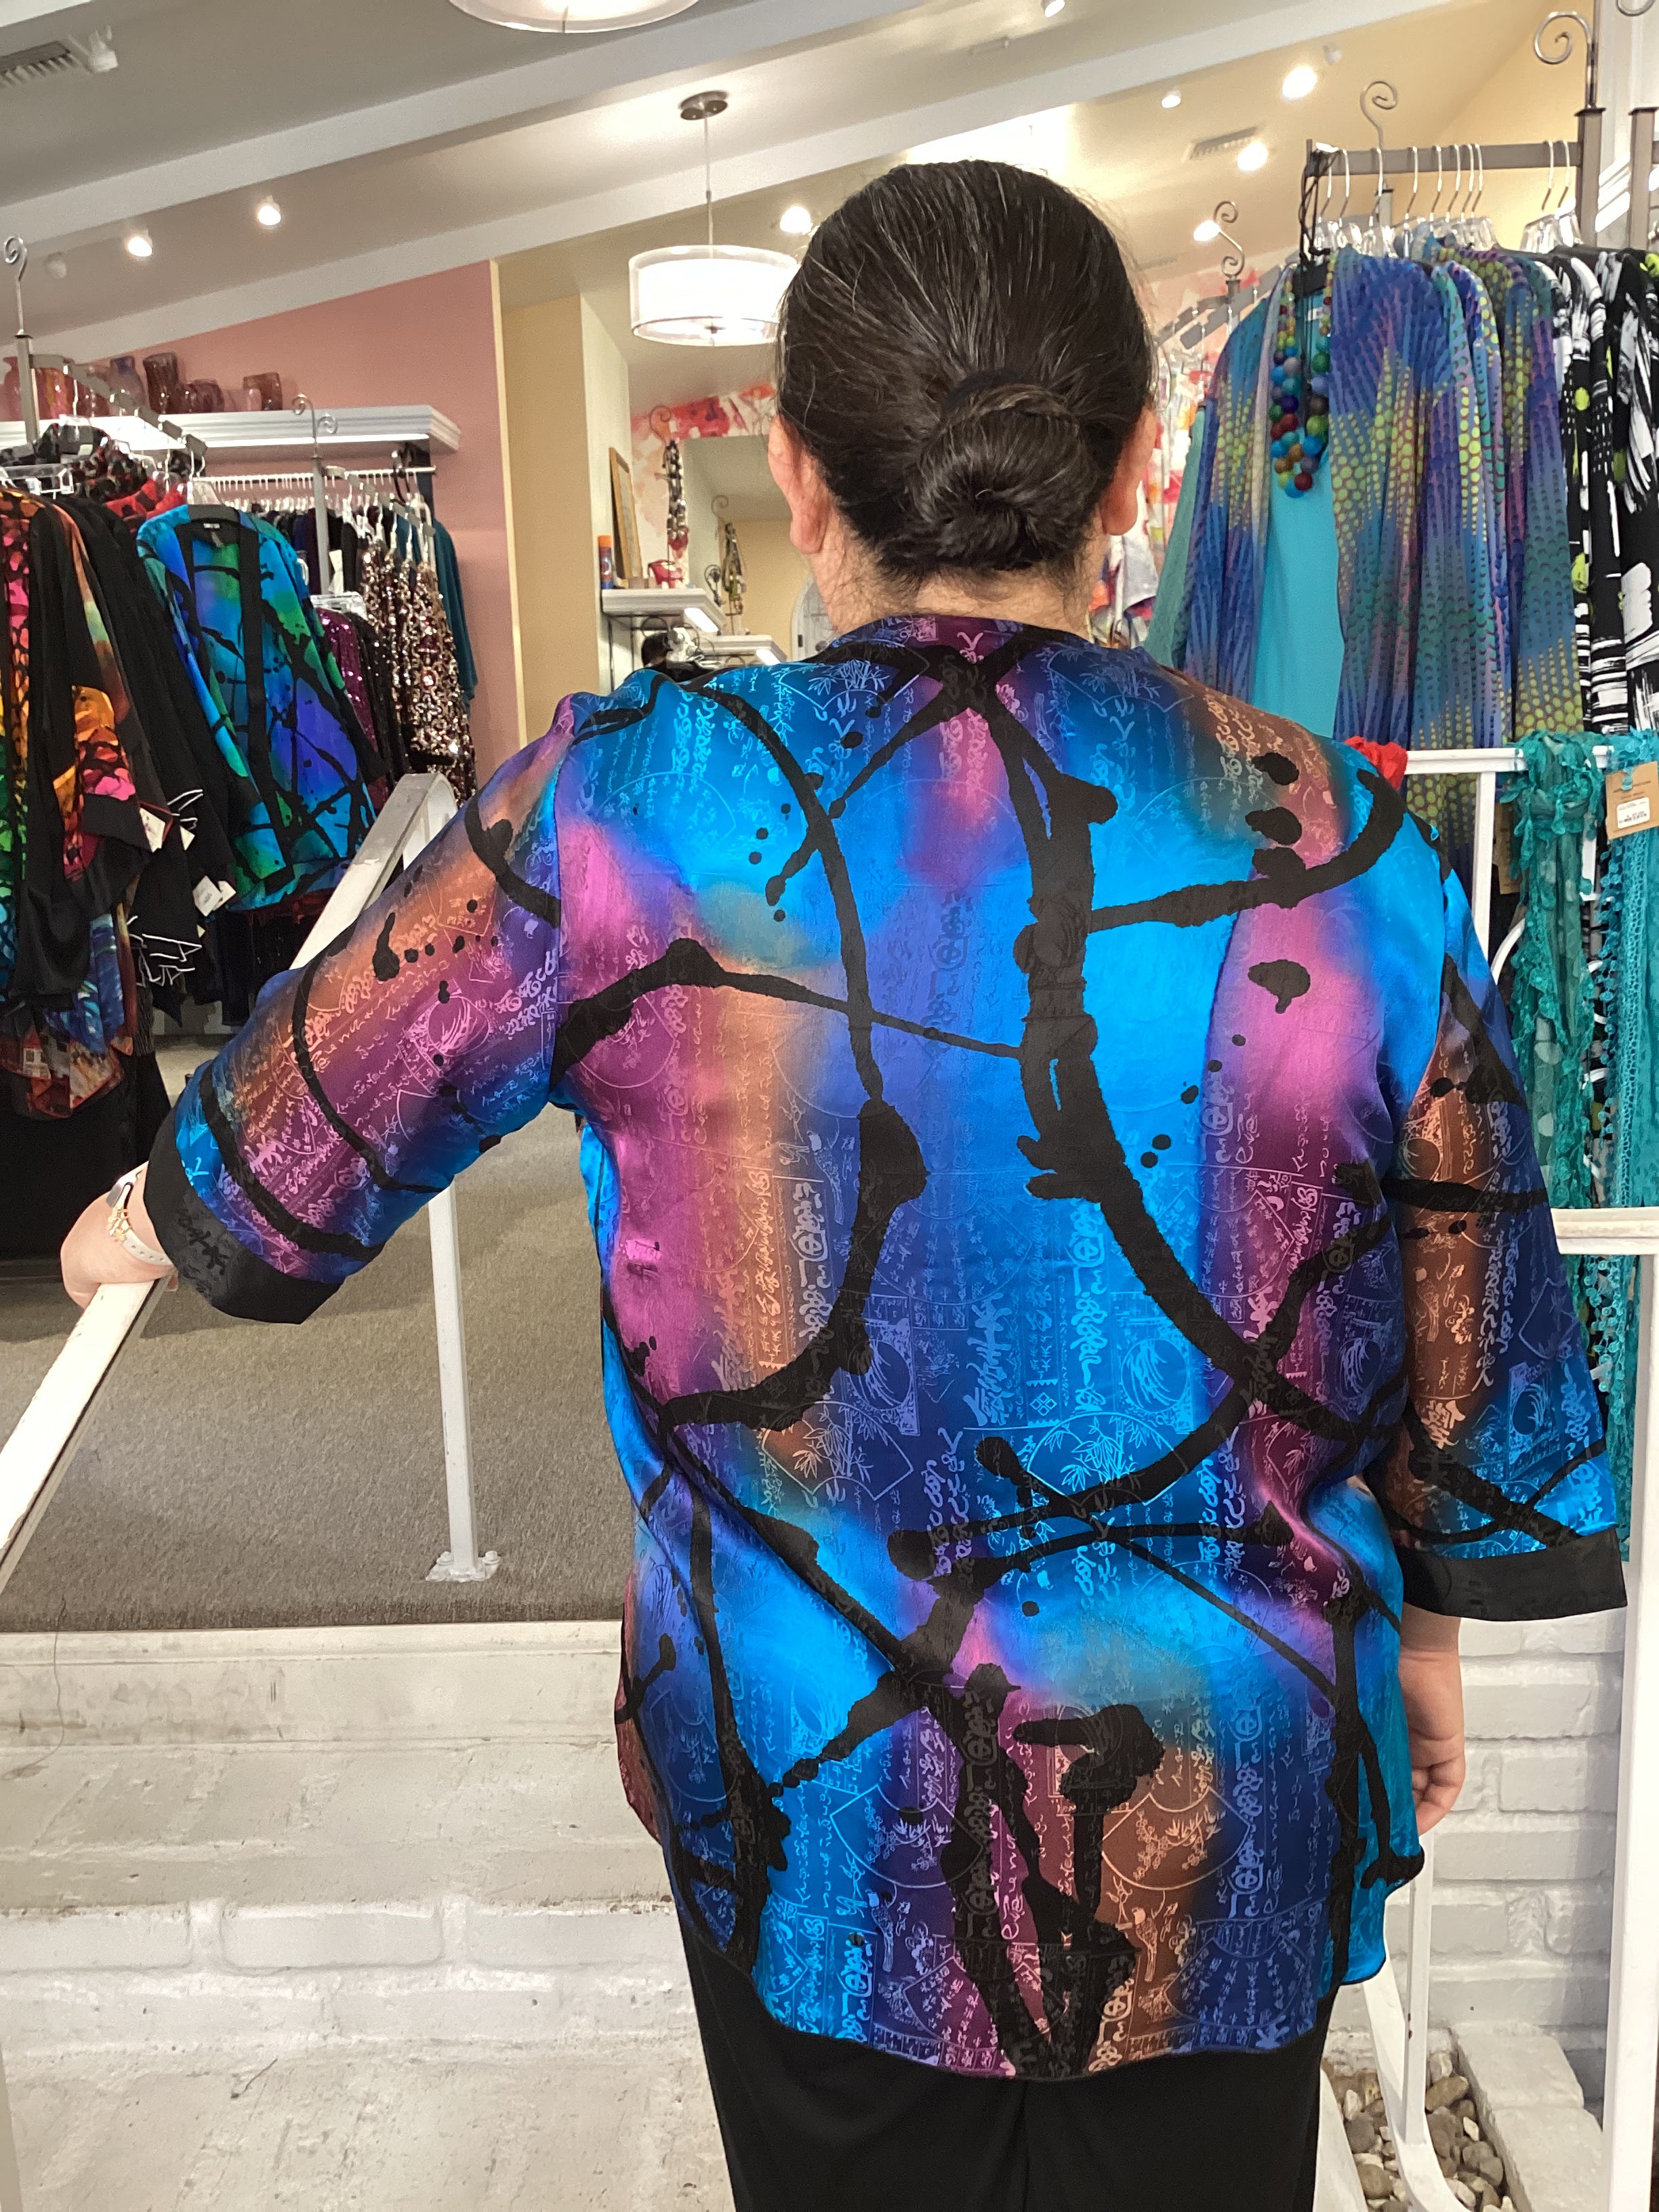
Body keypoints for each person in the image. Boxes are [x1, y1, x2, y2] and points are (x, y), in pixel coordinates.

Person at [64, 161, 1624, 2211]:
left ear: (797, 473)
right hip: (1233, 1780)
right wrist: (1436, 1627)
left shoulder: (634, 798)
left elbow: (302, 1128)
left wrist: (131, 1221)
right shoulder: (1339, 835)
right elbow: (1474, 1294)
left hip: (822, 1783)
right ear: (1135, 470)